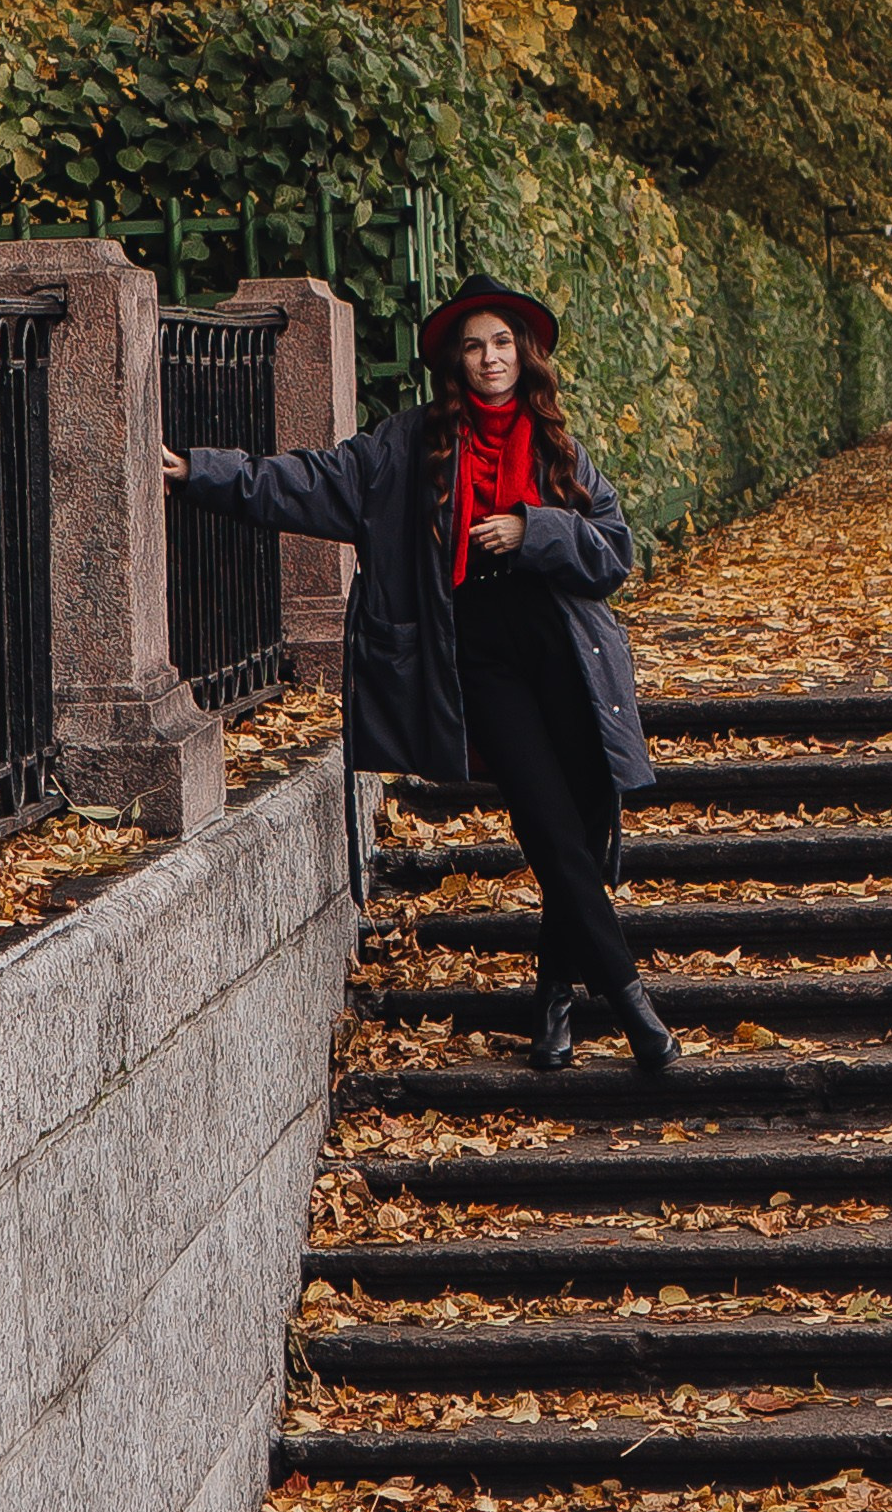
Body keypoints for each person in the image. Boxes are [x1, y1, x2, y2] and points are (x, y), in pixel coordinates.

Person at [163, 272, 678, 1074]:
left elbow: (613, 552)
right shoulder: (408, 446)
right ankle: (634, 1002)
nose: (489, 358)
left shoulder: (558, 448)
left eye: (502, 342)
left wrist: (532, 528)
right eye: (473, 346)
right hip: (477, 659)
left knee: (575, 831)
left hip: (564, 656)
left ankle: (552, 1004)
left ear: (524, 352)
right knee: (545, 825)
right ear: (454, 362)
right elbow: (308, 481)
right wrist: (203, 471)